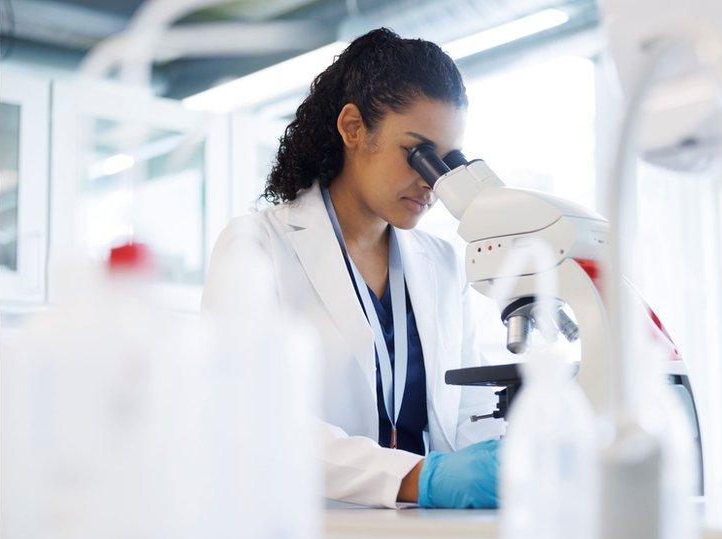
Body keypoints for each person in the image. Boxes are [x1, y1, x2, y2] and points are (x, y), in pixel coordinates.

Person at [201, 28, 503, 509]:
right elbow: (248, 414)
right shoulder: (257, 246)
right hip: (305, 526)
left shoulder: (442, 263)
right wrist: (418, 477)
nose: (433, 182)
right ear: (353, 128)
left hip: (421, 530)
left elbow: (467, 415)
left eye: (446, 163)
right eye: (417, 153)